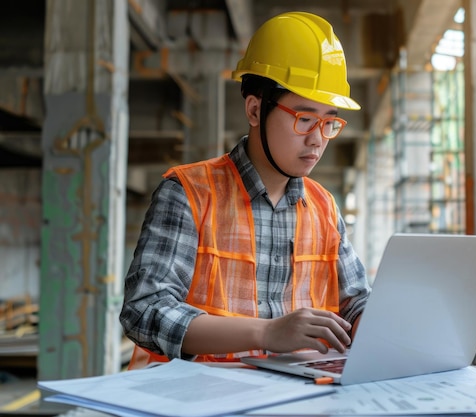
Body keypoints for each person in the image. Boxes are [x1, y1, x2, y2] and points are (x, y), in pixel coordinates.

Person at [119, 11, 371, 369]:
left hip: (300, 398)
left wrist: (384, 324)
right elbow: (145, 310)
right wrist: (266, 333)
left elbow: (356, 301)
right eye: (304, 118)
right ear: (255, 109)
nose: (317, 139)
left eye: (329, 121)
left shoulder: (323, 207)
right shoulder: (189, 193)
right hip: (198, 399)